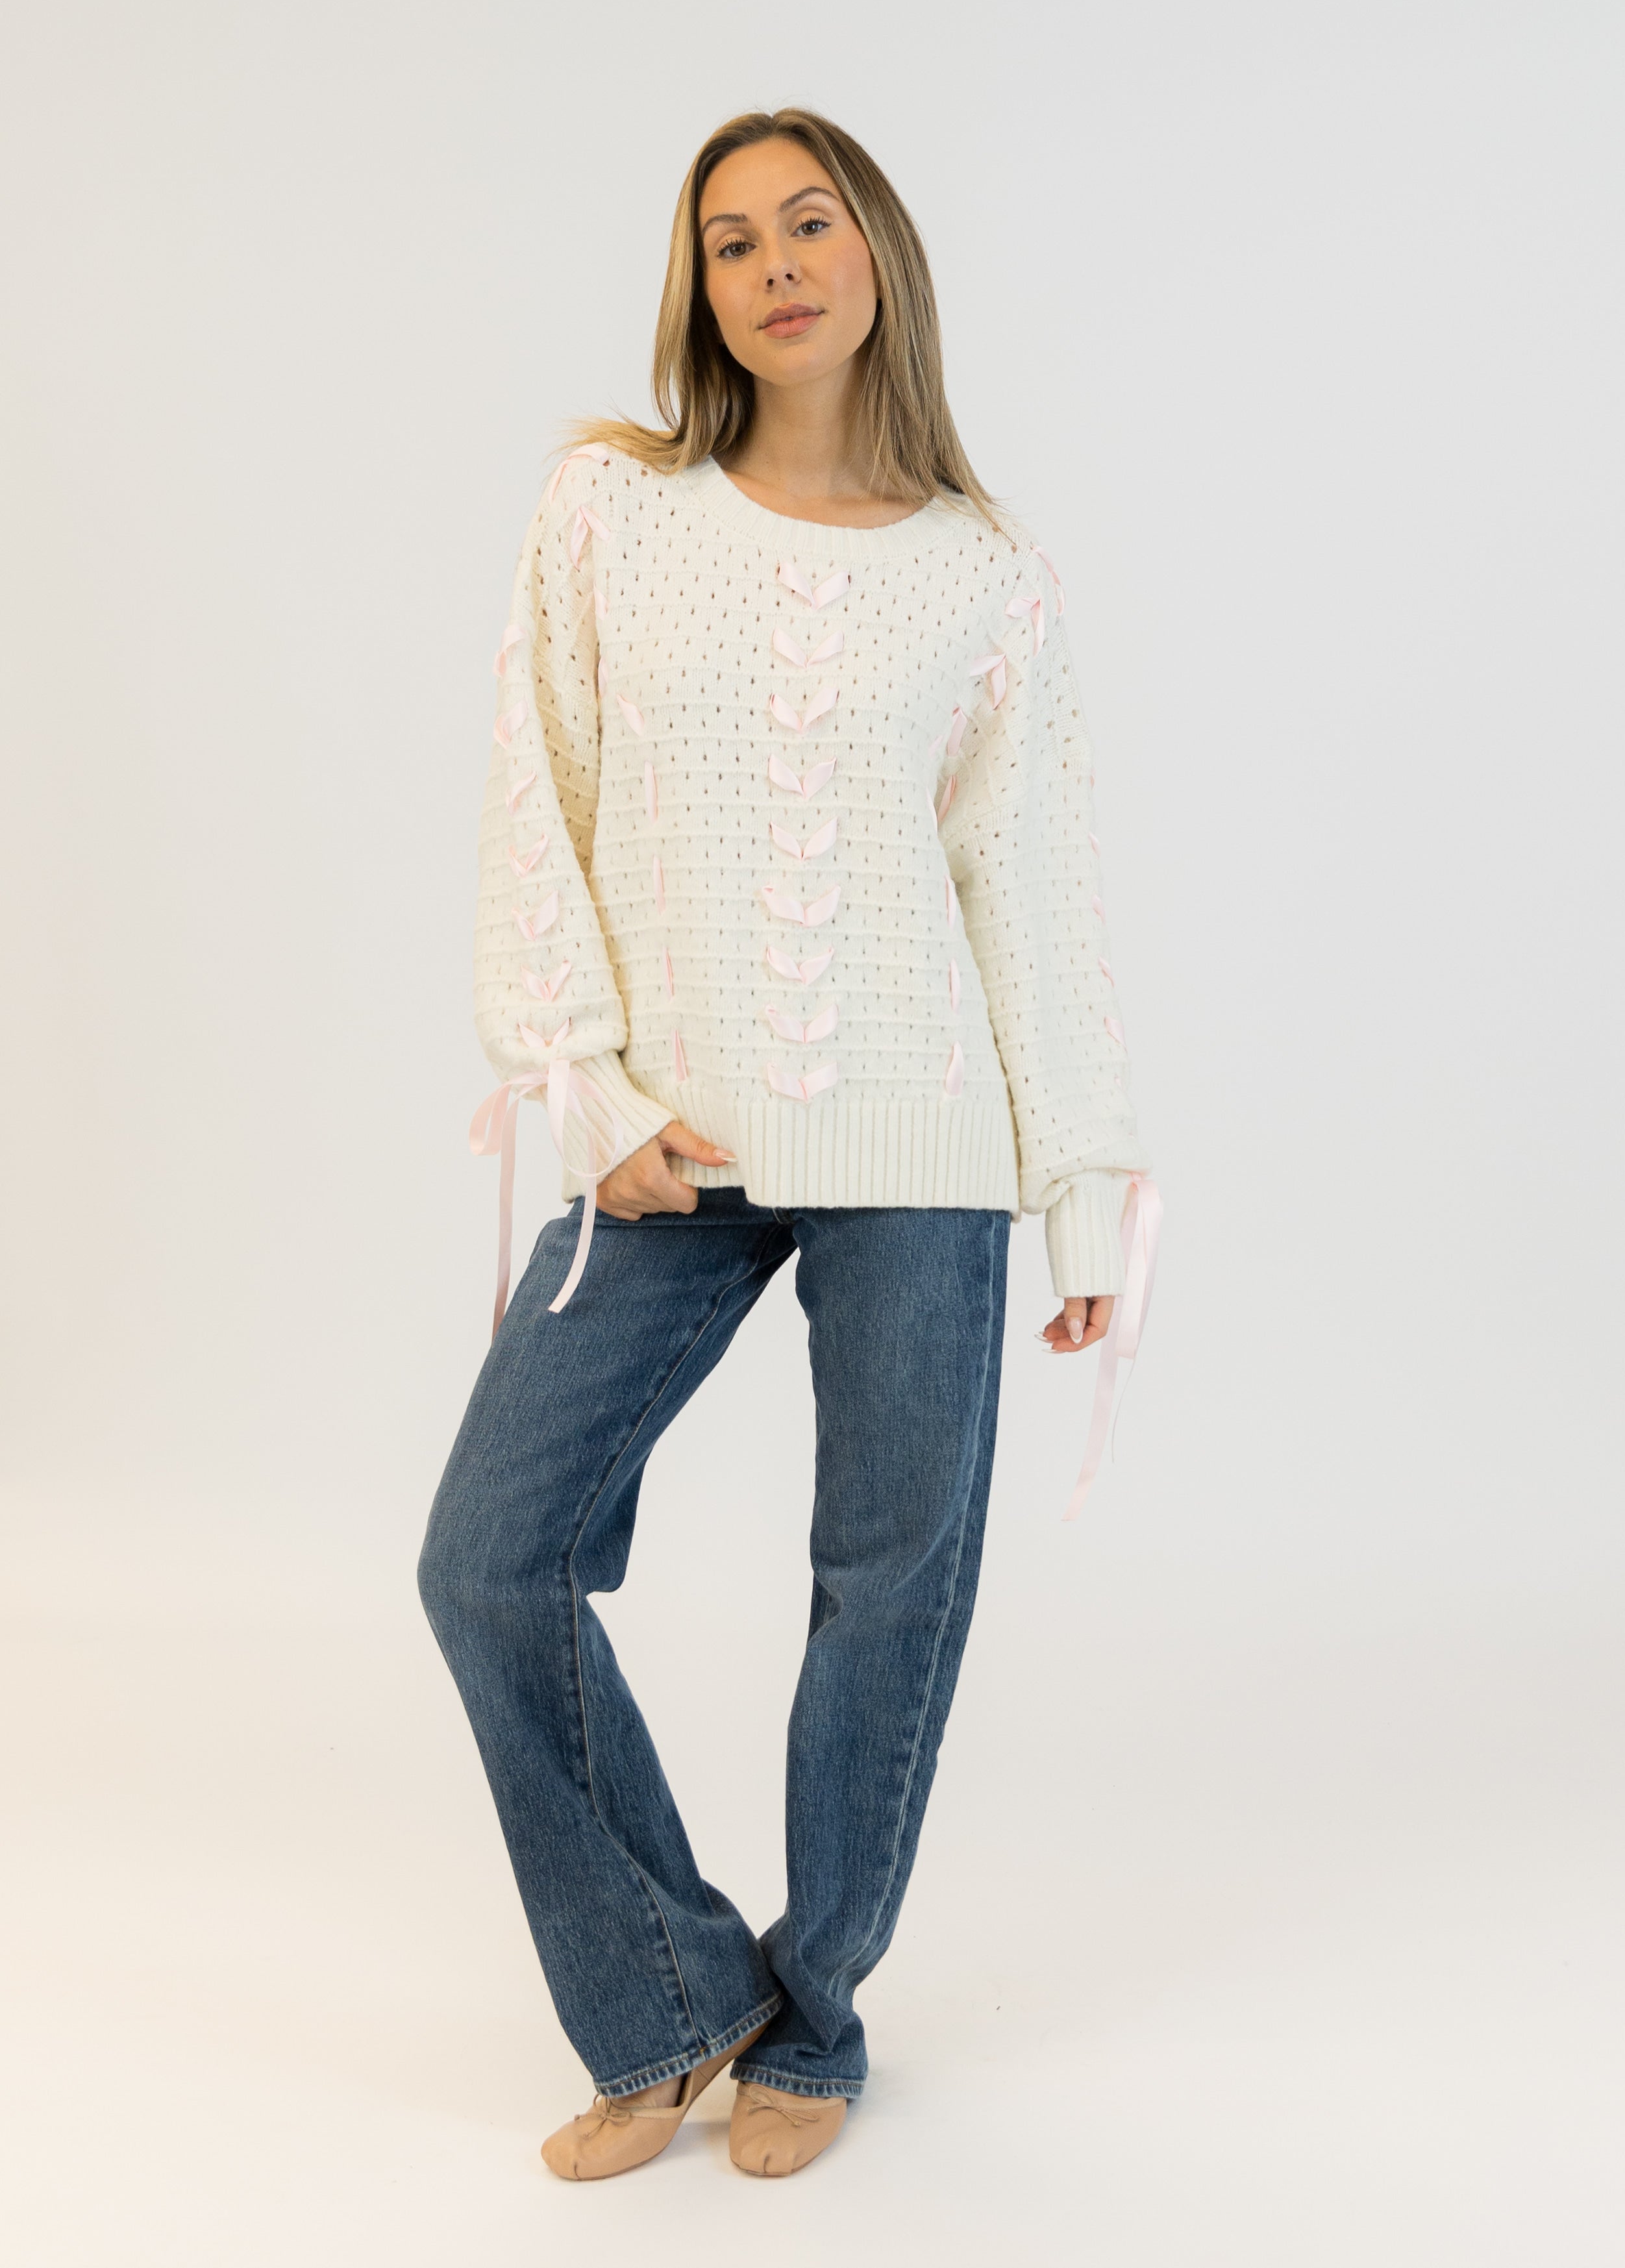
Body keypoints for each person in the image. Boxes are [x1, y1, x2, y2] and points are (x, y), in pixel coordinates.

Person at [417, 106, 1155, 2182]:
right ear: (702, 292)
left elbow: (1032, 889)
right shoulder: (610, 510)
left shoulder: (987, 577)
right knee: (490, 1556)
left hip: (926, 1138)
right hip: (672, 1134)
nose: (774, 266)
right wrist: (587, 1085)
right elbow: (538, 792)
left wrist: (1081, 1190)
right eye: (730, 240)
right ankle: (674, 1998)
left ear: (879, 254)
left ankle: (816, 2015)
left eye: (808, 222)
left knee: (888, 1582)